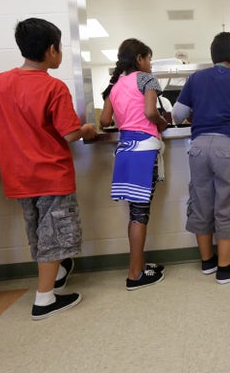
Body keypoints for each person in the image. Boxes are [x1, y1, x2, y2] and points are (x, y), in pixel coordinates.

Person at [0, 18, 97, 319]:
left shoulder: (0, 82)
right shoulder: (53, 87)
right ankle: (44, 300)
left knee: (38, 233)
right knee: (55, 236)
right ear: (52, 49)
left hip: (17, 175)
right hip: (50, 174)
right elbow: (70, 134)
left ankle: (55, 278)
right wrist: (86, 129)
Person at [172, 32, 230, 284]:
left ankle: (208, 262)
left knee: (201, 202)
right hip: (229, 146)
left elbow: (177, 115)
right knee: (228, 203)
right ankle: (225, 268)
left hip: (198, 146)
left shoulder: (196, 78)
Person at [99, 38, 167, 290]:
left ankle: (139, 264)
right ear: (139, 58)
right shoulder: (147, 79)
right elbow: (151, 112)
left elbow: (105, 120)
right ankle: (135, 274)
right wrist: (162, 123)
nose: (150, 63)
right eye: (148, 58)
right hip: (144, 153)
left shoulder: (115, 85)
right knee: (140, 215)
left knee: (135, 213)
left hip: (125, 153)